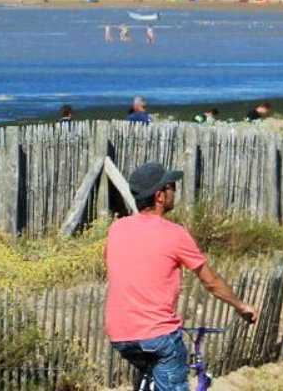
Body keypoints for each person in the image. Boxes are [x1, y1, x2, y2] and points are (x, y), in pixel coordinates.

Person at [105, 163, 258, 391]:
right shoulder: (175, 234)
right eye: (172, 187)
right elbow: (211, 281)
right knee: (168, 360)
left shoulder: (116, 228)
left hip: (120, 334)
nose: (175, 191)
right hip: (157, 335)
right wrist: (240, 305)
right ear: (159, 196)